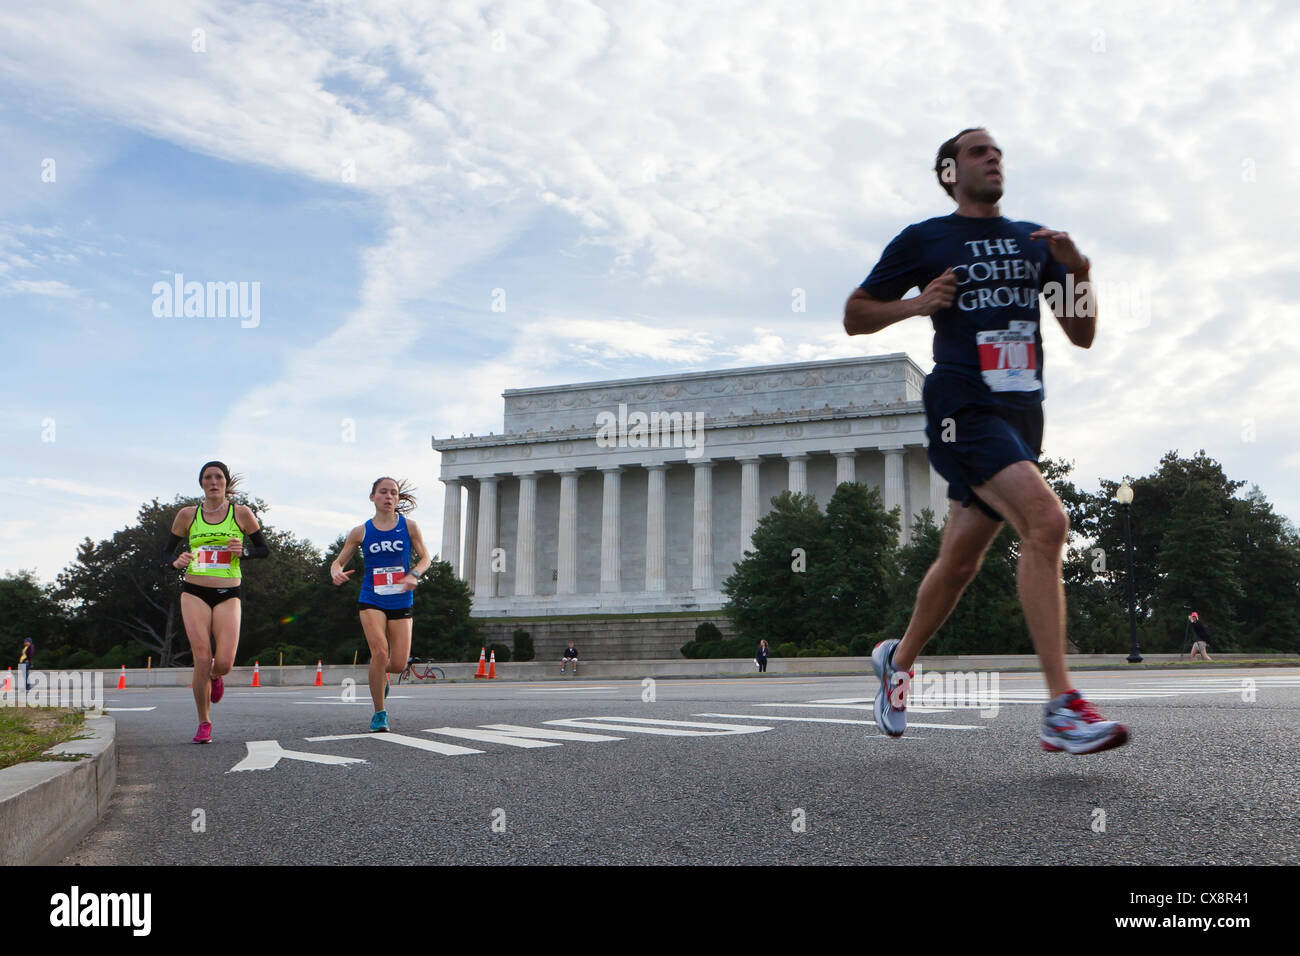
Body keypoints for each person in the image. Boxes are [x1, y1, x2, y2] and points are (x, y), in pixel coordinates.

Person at [844, 127, 1129, 755]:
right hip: (962, 405)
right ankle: (1061, 706)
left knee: (961, 563)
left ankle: (898, 660)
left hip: (1022, 411)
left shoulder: (1037, 241)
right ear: (949, 172)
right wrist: (916, 305)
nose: (992, 157)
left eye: (996, 150)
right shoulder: (926, 239)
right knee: (1048, 522)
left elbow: (1080, 333)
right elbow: (855, 313)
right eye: (976, 151)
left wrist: (1079, 270)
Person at [161, 461, 270, 744]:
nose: (213, 481)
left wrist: (243, 551)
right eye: (207, 477)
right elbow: (166, 552)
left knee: (223, 662)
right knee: (200, 657)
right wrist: (176, 562)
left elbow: (263, 549)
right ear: (201, 483)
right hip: (194, 590)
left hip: (227, 593)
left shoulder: (242, 513)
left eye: (218, 477)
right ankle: (204, 722)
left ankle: (215, 676)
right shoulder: (187, 515)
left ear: (225, 482)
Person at [329, 478, 431, 732]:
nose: (388, 496)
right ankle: (379, 713)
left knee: (397, 664)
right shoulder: (360, 532)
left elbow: (425, 558)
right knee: (380, 653)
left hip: (401, 599)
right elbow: (338, 562)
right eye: (383, 492)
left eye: (393, 493)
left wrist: (414, 575)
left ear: (397, 499)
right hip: (371, 599)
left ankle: (379, 674)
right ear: (372, 497)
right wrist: (336, 572)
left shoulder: (409, 527)